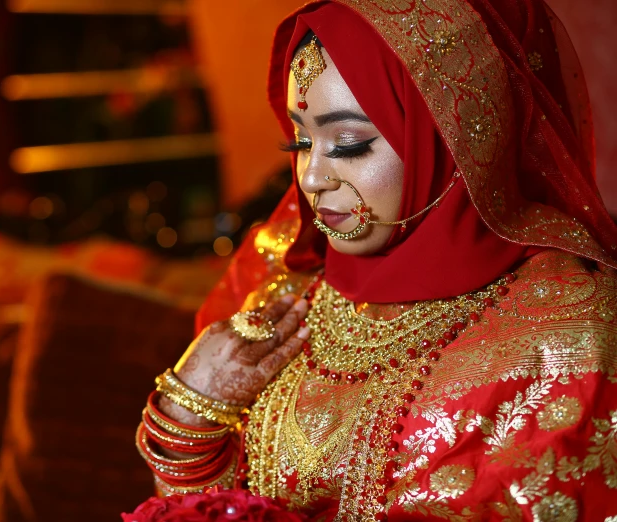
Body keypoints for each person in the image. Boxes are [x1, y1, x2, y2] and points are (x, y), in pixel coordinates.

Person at [134, 0, 617, 520]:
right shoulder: (288, 293)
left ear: (450, 139)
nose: (312, 177)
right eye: (299, 141)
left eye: (348, 143)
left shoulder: (572, 336)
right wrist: (190, 411)